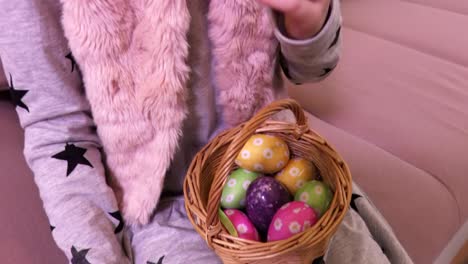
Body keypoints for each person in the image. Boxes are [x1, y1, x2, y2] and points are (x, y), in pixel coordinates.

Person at [0, 0, 412, 263]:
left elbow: (313, 66)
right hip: (161, 210)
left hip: (280, 173)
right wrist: (98, 252)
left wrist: (307, 15)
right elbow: (58, 131)